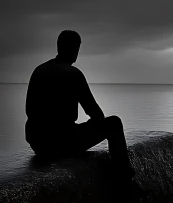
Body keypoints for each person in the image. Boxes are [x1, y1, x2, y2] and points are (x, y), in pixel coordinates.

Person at [25, 30, 134, 179]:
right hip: (63, 144)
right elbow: (96, 114)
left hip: (39, 144)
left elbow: (29, 110)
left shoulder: (39, 70)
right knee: (114, 123)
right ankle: (125, 177)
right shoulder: (73, 74)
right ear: (76, 49)